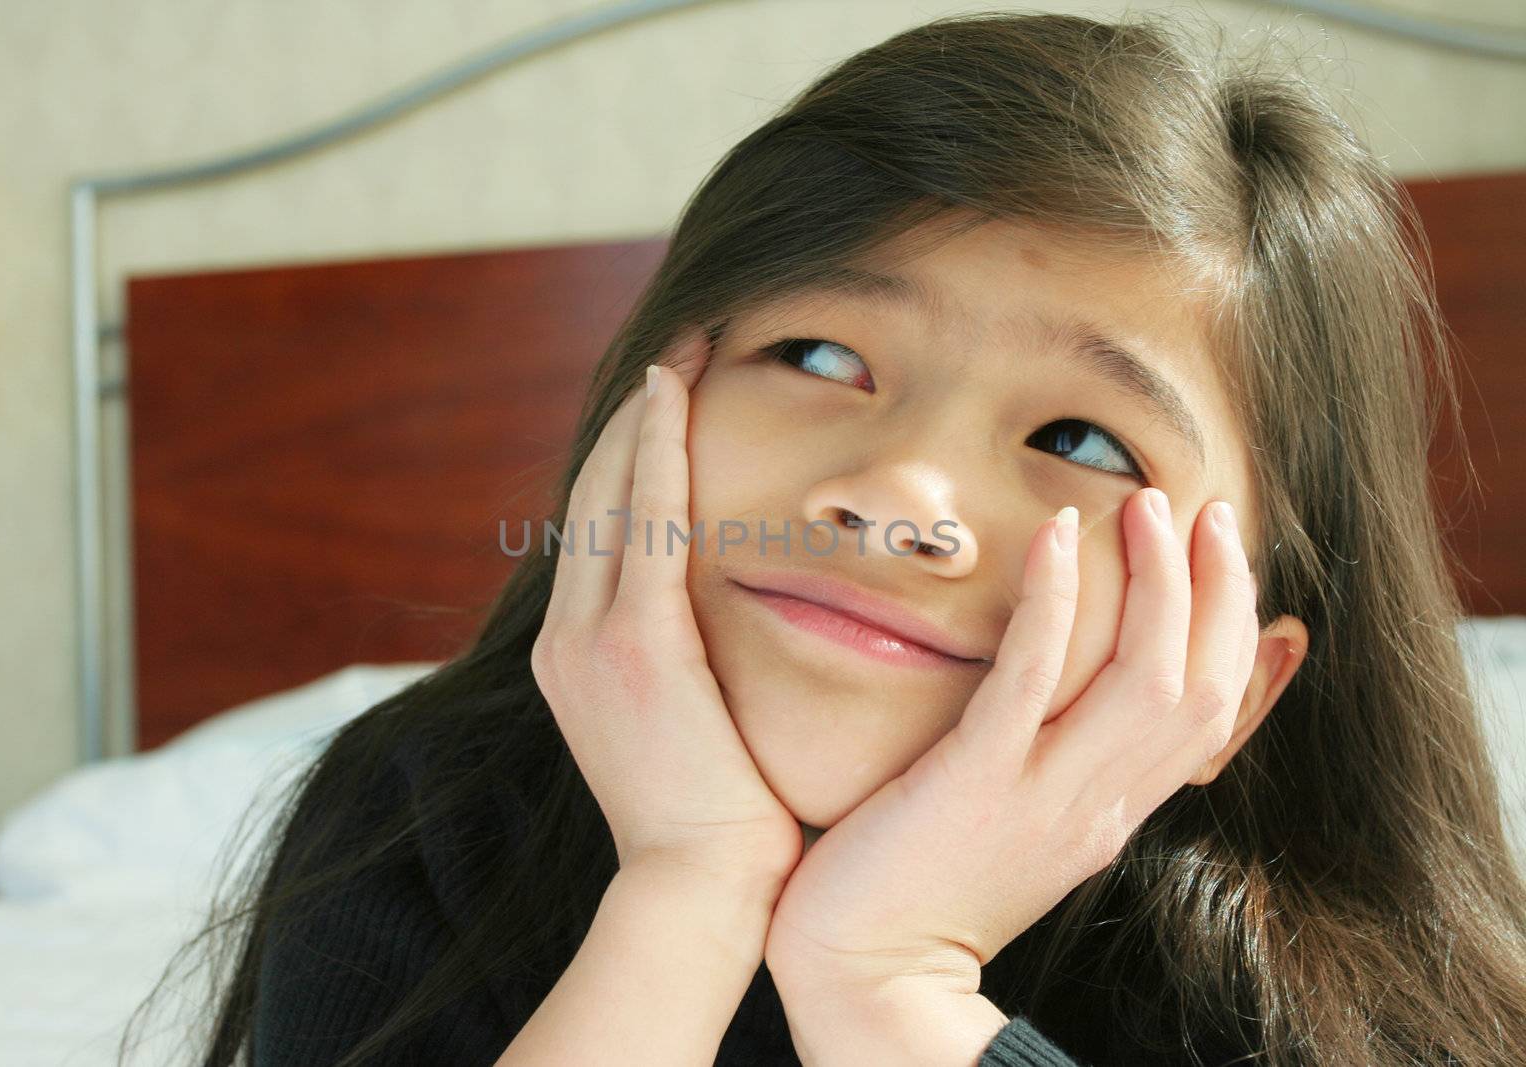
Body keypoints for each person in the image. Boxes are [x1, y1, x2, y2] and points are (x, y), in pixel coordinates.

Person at [125, 11, 1526, 1066]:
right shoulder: (419, 814)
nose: (897, 493)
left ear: (1238, 684)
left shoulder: (1315, 994)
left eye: (1082, 443)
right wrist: (686, 889)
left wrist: (893, 981)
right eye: (815, 352)